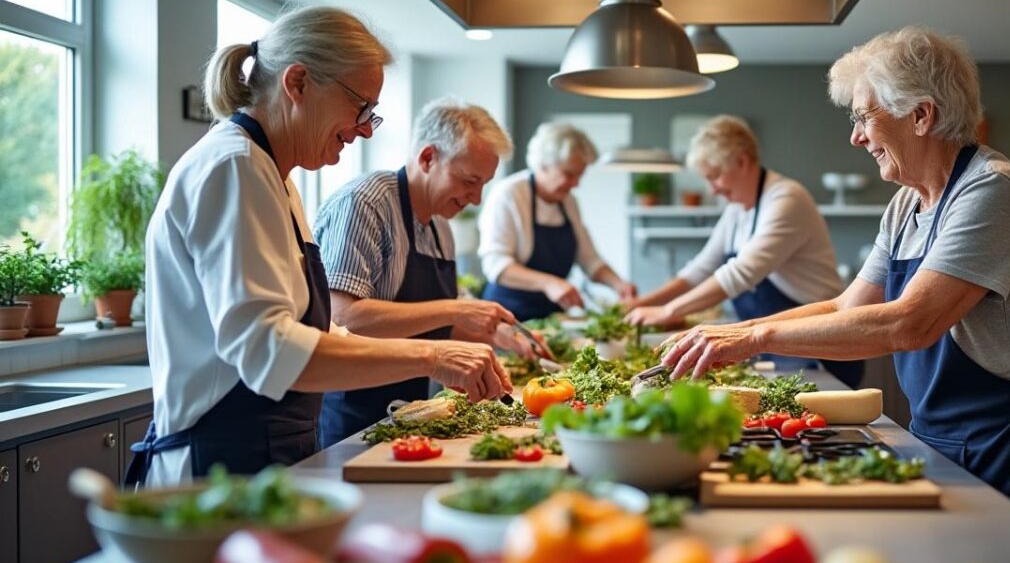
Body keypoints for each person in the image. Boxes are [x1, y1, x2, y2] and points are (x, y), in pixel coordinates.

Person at [662, 27, 1010, 547]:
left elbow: (908, 323)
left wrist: (753, 340)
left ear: (922, 115)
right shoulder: (906, 205)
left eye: (864, 117)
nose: (857, 137)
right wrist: (734, 331)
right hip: (942, 435)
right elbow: (847, 306)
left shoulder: (995, 190)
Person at [132, 6, 510, 487]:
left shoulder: (276, 178)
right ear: (298, 83)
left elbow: (323, 328)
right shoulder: (234, 168)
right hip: (216, 471)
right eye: (360, 108)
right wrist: (431, 357)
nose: (365, 129)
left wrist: (445, 353)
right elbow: (269, 349)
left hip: (266, 456)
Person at [312, 98, 531, 447]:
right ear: (428, 158)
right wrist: (457, 308)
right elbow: (343, 316)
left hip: (409, 410)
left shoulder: (440, 226)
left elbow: (430, 321)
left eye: (484, 184)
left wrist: (490, 345)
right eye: (469, 180)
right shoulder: (365, 204)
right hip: (351, 415)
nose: (476, 199)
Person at [626, 116, 863, 388]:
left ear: (741, 161)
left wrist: (668, 311)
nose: (712, 188)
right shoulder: (737, 210)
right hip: (777, 347)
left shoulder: (786, 199)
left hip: (819, 348)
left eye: (714, 176)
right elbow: (699, 269)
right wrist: (642, 305)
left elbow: (739, 274)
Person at [478, 122, 637, 321]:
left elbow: (589, 260)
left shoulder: (569, 202)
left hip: (551, 318)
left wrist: (618, 284)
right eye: (569, 174)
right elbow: (496, 265)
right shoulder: (509, 194)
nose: (576, 184)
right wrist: (549, 283)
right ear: (543, 164)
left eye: (579, 176)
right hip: (507, 316)